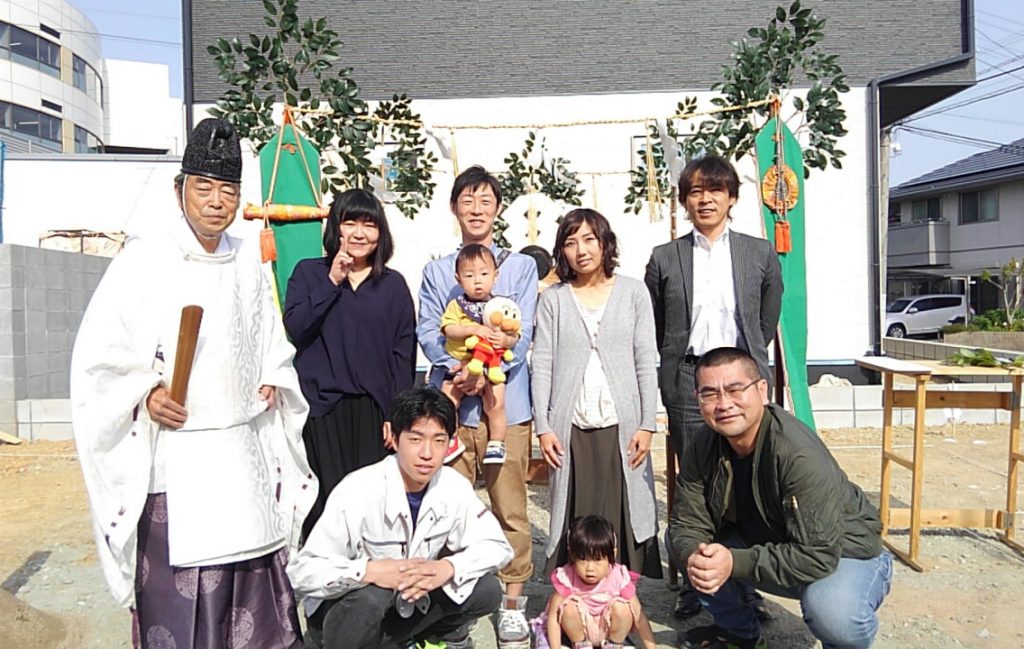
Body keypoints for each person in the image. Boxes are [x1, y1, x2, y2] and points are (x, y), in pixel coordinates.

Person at [70, 118, 315, 649]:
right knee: (180, 605)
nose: (216, 201)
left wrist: (272, 378)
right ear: (179, 188)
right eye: (204, 187)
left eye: (228, 189)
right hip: (175, 458)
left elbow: (271, 341)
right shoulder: (143, 260)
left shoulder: (248, 259)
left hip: (242, 454)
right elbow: (99, 358)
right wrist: (146, 394)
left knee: (255, 600)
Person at [668, 347, 891, 649]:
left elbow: (817, 555)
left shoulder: (797, 454)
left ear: (762, 391)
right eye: (710, 394)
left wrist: (733, 561)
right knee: (688, 547)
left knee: (834, 614)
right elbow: (687, 523)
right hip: (773, 541)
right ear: (698, 399)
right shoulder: (703, 445)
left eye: (735, 389)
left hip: (842, 552)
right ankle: (739, 634)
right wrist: (697, 557)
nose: (724, 404)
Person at [644, 154, 782, 618]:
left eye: (715, 190)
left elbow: (767, 316)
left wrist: (747, 368)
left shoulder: (758, 253)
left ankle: (744, 580)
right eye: (696, 192)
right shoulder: (665, 258)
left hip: (743, 376)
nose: (705, 199)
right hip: (689, 378)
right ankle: (693, 582)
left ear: (732, 197)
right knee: (695, 482)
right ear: (685, 201)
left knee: (749, 478)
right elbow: (658, 323)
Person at [288, 388, 512, 649]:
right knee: (372, 598)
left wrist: (447, 568)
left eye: (439, 441)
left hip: (406, 604)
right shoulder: (358, 488)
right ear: (394, 439)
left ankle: (416, 639)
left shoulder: (453, 486)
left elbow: (498, 547)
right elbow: (302, 572)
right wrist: (369, 571)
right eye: (415, 439)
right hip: (351, 612)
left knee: (487, 590)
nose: (427, 453)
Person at [417, 165, 538, 646]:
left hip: (506, 407)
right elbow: (429, 330)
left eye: (485, 200)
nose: (476, 209)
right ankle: (454, 610)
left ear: (498, 208)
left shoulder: (521, 267)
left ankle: (512, 603)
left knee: (510, 509)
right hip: (451, 409)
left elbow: (521, 334)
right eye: (467, 200)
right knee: (446, 510)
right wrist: (458, 370)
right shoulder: (437, 271)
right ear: (454, 208)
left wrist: (487, 372)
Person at [532, 208, 662, 581]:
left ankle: (619, 600)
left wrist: (647, 424)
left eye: (589, 239)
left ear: (605, 243)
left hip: (622, 424)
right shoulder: (554, 299)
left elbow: (644, 361)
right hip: (569, 427)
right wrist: (544, 427)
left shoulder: (633, 292)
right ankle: (576, 596)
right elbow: (542, 364)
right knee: (575, 510)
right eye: (570, 243)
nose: (581, 250)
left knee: (623, 509)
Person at [283, 188, 416, 537]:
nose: (359, 233)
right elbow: (296, 328)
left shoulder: (393, 285)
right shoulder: (310, 273)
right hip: (321, 409)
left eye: (369, 225)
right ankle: (322, 570)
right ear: (335, 228)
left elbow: (403, 354)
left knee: (372, 504)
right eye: (350, 223)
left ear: (380, 233)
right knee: (326, 502)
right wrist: (333, 281)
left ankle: (372, 570)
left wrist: (397, 414)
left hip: (374, 412)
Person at [437, 244, 520, 466]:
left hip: (491, 365)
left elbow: (515, 332)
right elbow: (448, 329)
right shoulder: (456, 305)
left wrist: (506, 341)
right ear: (458, 279)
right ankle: (449, 437)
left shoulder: (500, 306)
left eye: (484, 274)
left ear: (495, 275)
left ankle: (497, 442)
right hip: (460, 363)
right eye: (469, 275)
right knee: (446, 400)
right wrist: (472, 329)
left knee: (496, 403)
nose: (477, 281)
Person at [542, 516, 657, 649]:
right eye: (583, 559)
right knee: (569, 607)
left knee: (623, 607)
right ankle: (581, 644)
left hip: (608, 630)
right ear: (572, 555)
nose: (590, 568)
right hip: (580, 632)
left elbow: (638, 616)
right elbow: (553, 616)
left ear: (612, 555)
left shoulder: (618, 577)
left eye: (597, 560)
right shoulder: (567, 577)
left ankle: (614, 644)